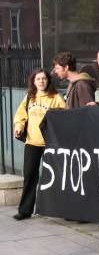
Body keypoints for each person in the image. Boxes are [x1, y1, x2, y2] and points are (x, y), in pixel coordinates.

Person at [13, 69, 65, 220]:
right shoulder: (30, 97)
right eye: (38, 79)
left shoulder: (55, 97)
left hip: (50, 143)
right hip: (32, 143)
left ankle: (58, 209)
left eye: (44, 79)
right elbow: (20, 115)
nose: (41, 81)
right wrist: (18, 127)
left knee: (54, 176)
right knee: (29, 175)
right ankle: (24, 210)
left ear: (48, 81)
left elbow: (65, 116)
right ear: (33, 82)